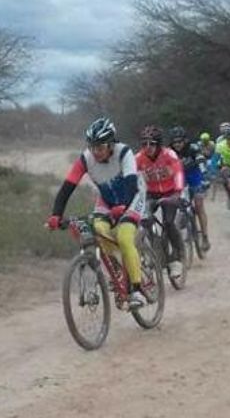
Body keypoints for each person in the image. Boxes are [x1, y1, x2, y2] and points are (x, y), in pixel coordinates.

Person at [46, 118, 148, 309]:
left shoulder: (124, 153)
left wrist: (123, 206)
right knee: (99, 230)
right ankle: (118, 268)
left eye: (100, 147)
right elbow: (67, 187)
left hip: (133, 195)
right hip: (107, 200)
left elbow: (131, 184)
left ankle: (136, 290)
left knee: (125, 237)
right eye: (92, 147)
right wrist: (56, 215)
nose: (95, 152)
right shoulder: (86, 159)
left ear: (111, 144)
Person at [135, 125, 185, 279]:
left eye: (152, 144)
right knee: (145, 221)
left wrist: (177, 193)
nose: (148, 147)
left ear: (159, 144)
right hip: (151, 194)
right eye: (144, 144)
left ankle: (177, 257)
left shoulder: (169, 154)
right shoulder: (138, 158)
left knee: (168, 223)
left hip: (170, 193)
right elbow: (130, 179)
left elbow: (178, 173)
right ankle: (154, 252)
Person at [169, 126, 211, 251]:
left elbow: (200, 159)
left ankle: (205, 237)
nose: (177, 144)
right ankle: (181, 221)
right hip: (179, 179)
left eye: (180, 141)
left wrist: (204, 172)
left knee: (199, 205)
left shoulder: (193, 148)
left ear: (185, 140)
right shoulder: (169, 152)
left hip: (195, 177)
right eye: (174, 142)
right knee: (175, 203)